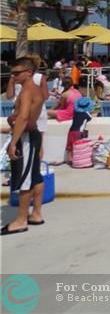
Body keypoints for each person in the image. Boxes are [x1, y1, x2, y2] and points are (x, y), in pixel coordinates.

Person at [3, 57, 47, 235]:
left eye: (16, 73)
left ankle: (21, 220)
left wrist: (13, 142)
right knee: (35, 176)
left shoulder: (29, 90)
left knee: (25, 179)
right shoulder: (29, 89)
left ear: (29, 72)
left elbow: (23, 117)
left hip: (27, 137)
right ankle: (36, 213)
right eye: (12, 73)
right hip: (31, 135)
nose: (13, 76)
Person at [63, 97, 93, 166]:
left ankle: (69, 159)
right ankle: (77, 161)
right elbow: (90, 118)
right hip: (78, 132)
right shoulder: (86, 114)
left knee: (70, 146)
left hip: (71, 131)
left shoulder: (76, 112)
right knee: (77, 146)